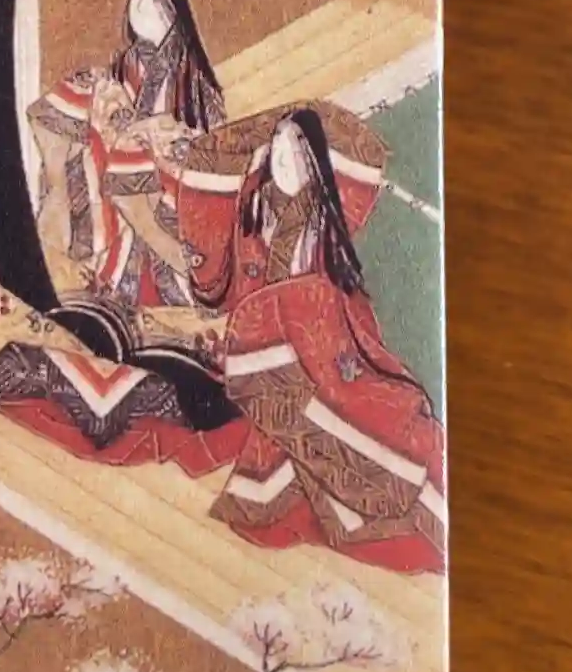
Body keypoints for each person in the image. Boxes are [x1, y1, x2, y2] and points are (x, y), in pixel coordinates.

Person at [191, 109, 446, 575]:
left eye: (296, 148)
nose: (283, 157)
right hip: (267, 347)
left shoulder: (322, 219)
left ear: (314, 161)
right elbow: (244, 290)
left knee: (374, 414)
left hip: (320, 346)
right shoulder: (254, 212)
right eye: (278, 146)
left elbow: (335, 303)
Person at [29, 0, 226, 310]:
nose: (138, 7)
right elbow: (108, 119)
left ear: (171, 6)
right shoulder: (123, 67)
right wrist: (119, 123)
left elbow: (210, 149)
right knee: (87, 97)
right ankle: (59, 227)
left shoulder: (195, 81)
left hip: (169, 189)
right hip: (119, 174)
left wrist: (155, 136)